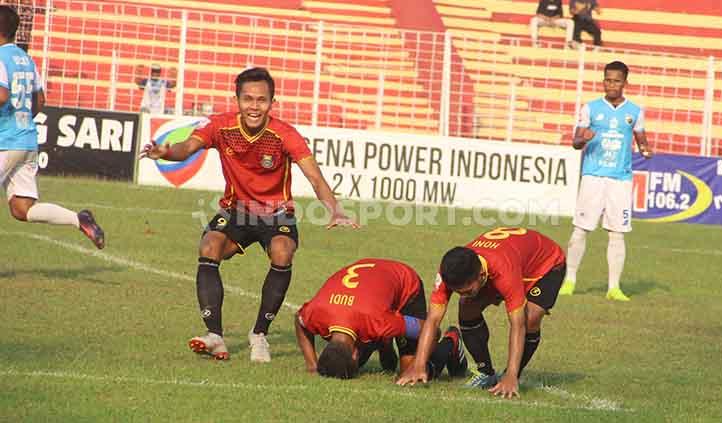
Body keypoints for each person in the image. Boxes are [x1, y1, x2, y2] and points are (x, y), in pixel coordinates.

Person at [140, 67, 358, 362]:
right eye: (248, 99)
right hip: (236, 211)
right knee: (209, 246)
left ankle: (259, 335)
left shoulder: (284, 135)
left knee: (282, 252)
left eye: (262, 100)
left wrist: (336, 210)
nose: (254, 106)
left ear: (272, 102)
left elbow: (315, 178)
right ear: (237, 99)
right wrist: (165, 152)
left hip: (276, 214)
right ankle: (215, 336)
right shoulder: (220, 126)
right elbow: (187, 148)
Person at [397, 228, 566, 399]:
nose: (463, 294)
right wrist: (419, 364)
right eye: (458, 292)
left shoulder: (503, 269)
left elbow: (518, 324)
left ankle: (512, 375)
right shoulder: (448, 270)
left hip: (545, 266)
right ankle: (486, 372)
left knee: (530, 317)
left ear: (480, 276)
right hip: (511, 260)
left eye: (468, 290)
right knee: (467, 308)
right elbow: (432, 320)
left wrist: (511, 375)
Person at [0, 6, 104, 249]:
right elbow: (41, 101)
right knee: (22, 209)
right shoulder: (26, 59)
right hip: (26, 141)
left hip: (5, 142)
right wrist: (21, 119)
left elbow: (2, 95)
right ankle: (79, 220)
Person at [560, 61, 652, 301]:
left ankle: (614, 287)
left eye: (616, 80)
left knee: (617, 233)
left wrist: (645, 149)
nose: (611, 84)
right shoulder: (590, 108)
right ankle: (569, 280)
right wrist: (584, 139)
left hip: (620, 180)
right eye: (607, 80)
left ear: (625, 83)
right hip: (593, 177)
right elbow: (576, 142)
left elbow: (641, 138)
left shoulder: (635, 111)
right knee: (580, 230)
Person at [295, 258, 467, 380]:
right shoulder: (316, 314)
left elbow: (432, 330)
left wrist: (395, 331)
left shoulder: (378, 322)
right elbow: (299, 320)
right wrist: (312, 364)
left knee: (409, 370)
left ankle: (451, 341)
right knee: (386, 361)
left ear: (355, 354)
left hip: (405, 282)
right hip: (370, 277)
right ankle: (383, 342)